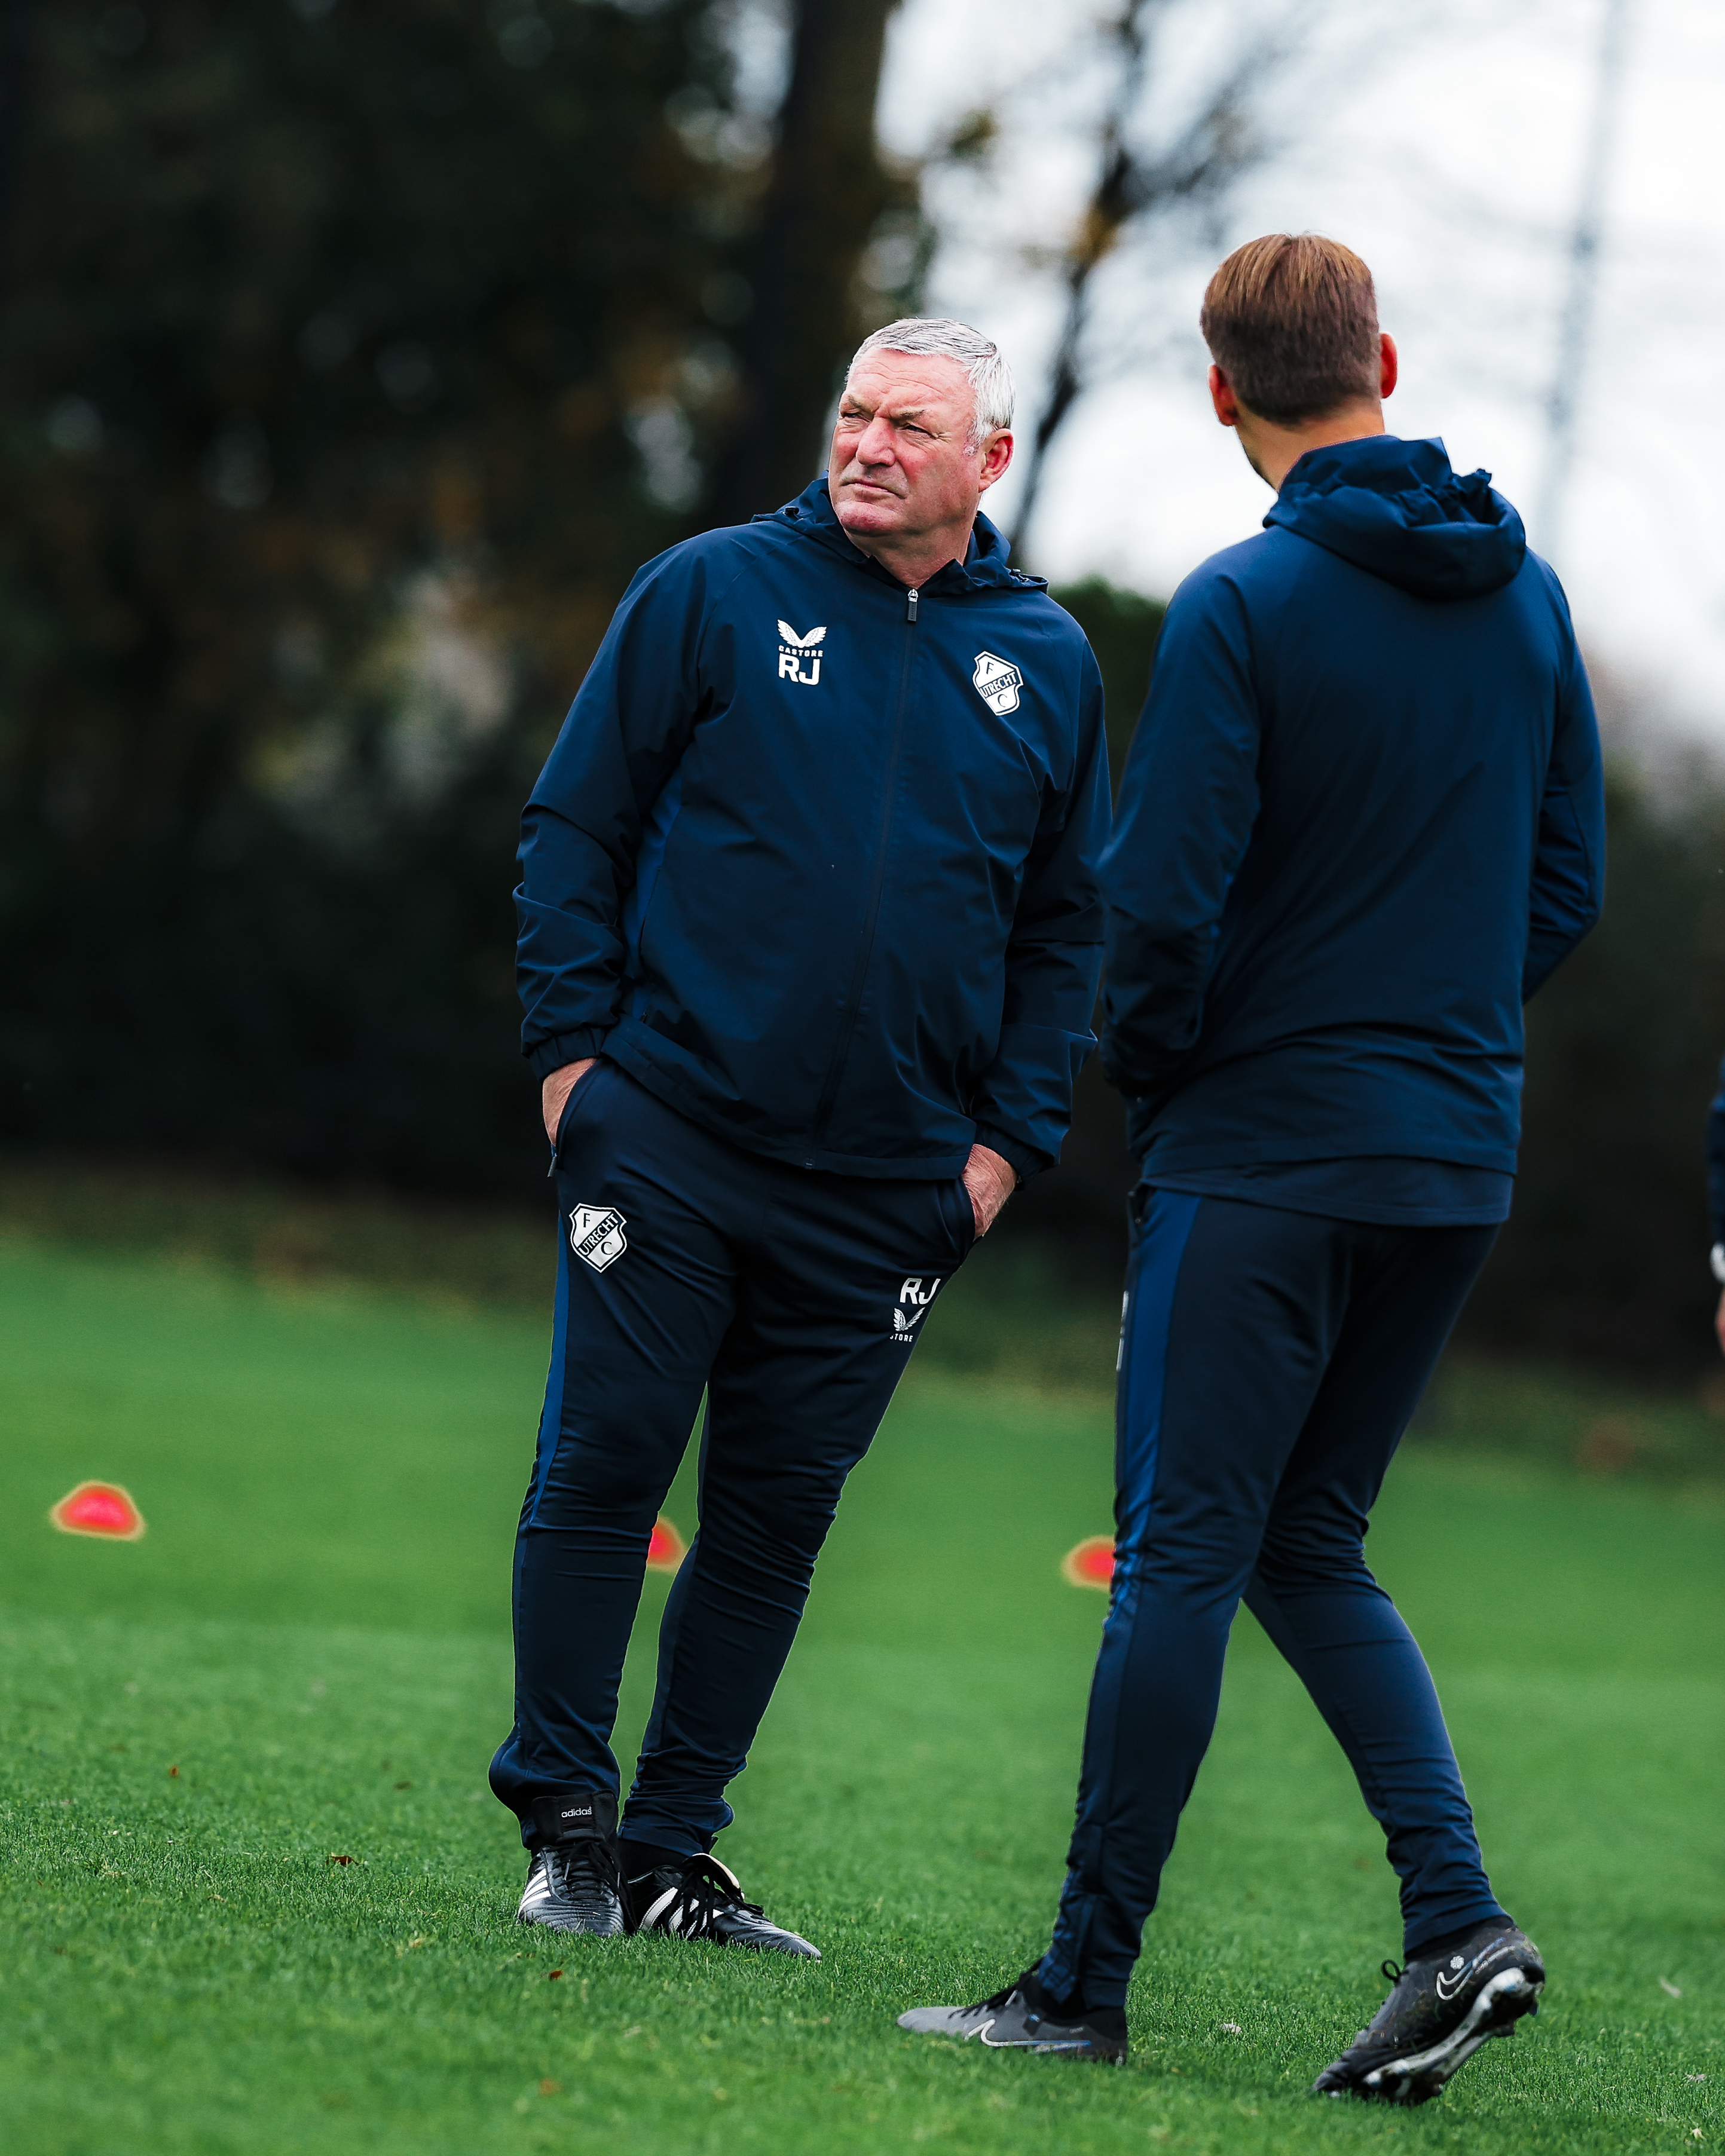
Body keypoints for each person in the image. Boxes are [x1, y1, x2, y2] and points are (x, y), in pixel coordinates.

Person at [899, 234, 1605, 2100]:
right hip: (1453, 1161)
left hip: (1269, 1154)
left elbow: (1161, 913)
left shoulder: (1243, 604)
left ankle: (1078, 1988)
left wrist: (1187, 1067)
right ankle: (1458, 1927)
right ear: (1382, 354)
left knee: (1182, 1556)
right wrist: (1428, 1017)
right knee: (1309, 1540)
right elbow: (1568, 886)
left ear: (1223, 392)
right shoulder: (1526, 597)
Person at [491, 318, 1111, 1955]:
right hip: (670, 1138)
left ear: (988, 459)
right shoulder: (711, 591)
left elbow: (1065, 931)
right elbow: (576, 828)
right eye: (851, 412)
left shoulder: (1044, 661)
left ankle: (675, 1855)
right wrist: (577, 1075)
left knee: (776, 1519)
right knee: (607, 1465)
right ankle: (565, 1822)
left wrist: (997, 1155)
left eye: (909, 424)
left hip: (889, 1190)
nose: (865, 444)